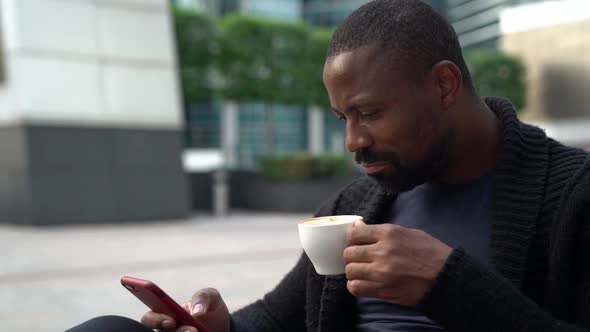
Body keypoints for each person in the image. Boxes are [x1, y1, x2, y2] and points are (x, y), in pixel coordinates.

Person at [68, 0, 590, 331]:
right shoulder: (354, 206)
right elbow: (279, 316)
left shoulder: (572, 195)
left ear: (444, 85)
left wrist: (451, 284)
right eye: (343, 117)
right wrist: (222, 325)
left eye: (368, 113)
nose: (352, 141)